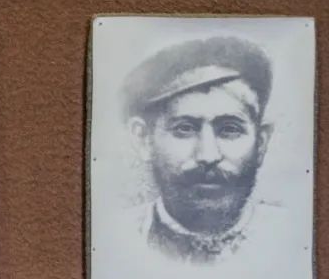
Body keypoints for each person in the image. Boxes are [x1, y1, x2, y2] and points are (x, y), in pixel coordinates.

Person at [121, 35, 285, 263]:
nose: (208, 155)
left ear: (261, 143)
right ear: (143, 140)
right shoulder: (115, 240)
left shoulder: (292, 237)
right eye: (184, 129)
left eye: (230, 129)